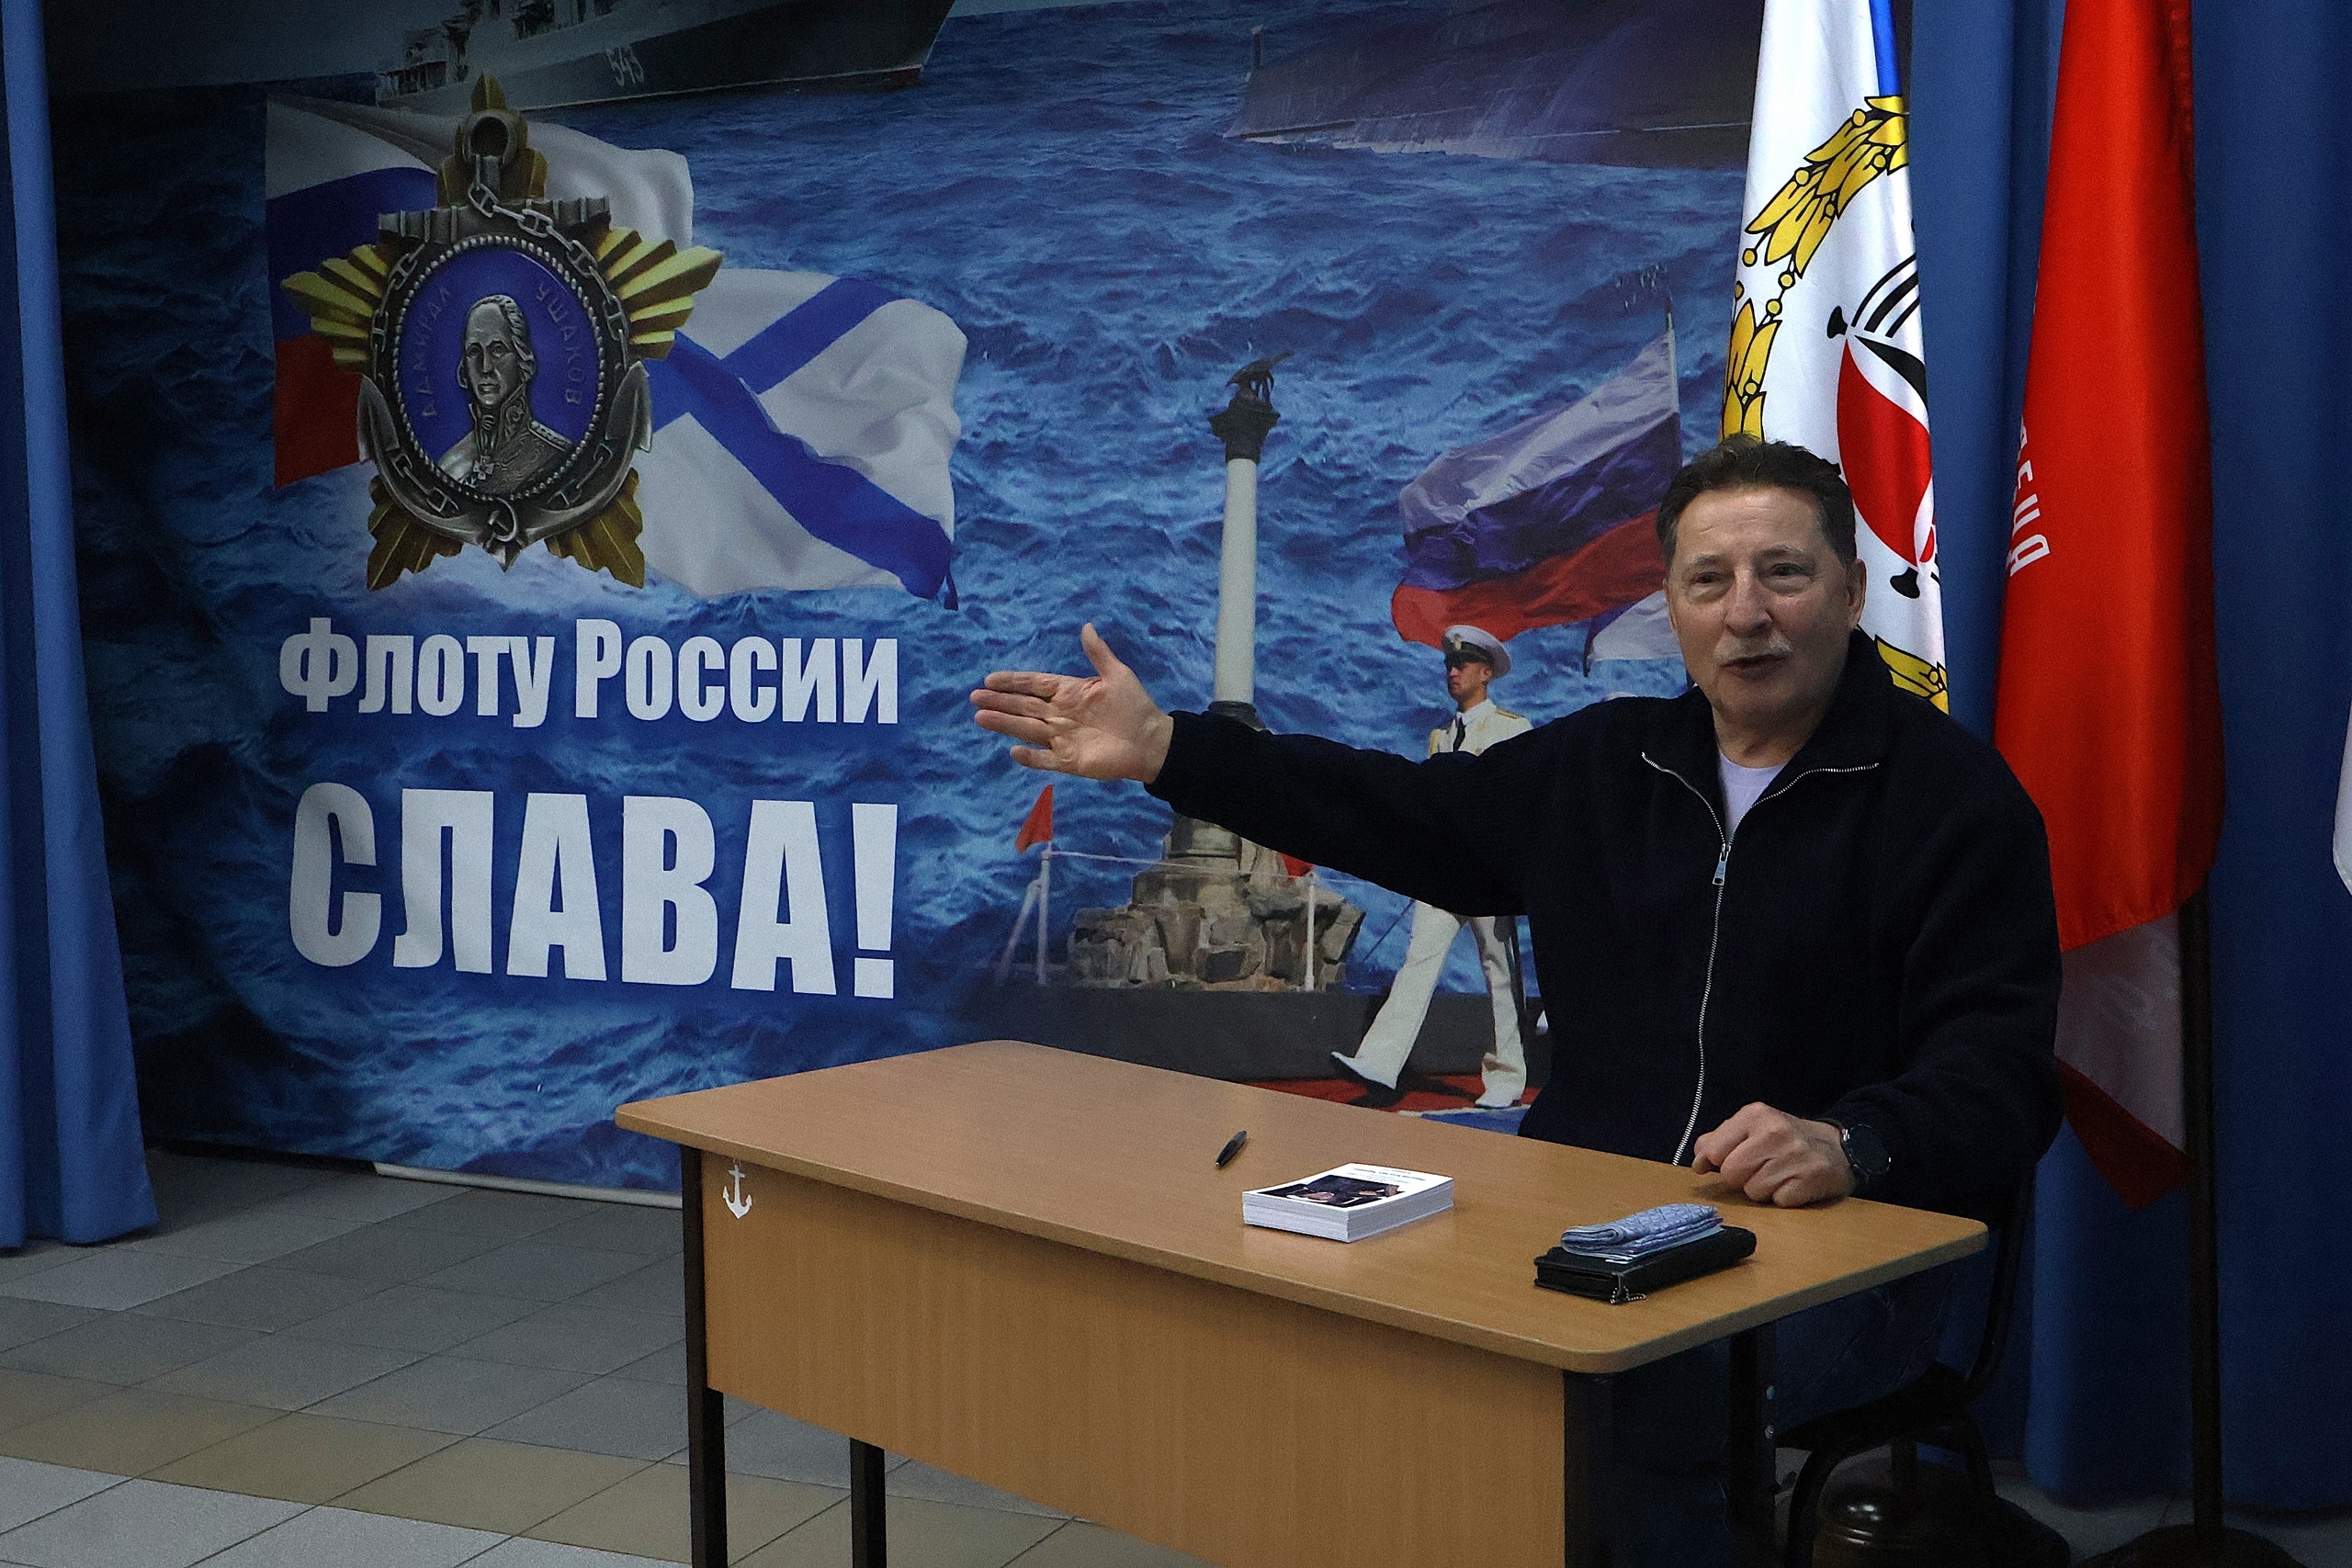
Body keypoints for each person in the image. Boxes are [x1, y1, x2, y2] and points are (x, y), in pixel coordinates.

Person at [971, 435, 2062, 1565]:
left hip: (1844, 1254)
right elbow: (1388, 810)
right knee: (1372, 1346)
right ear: (1671, 607)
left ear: (1850, 590)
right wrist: (1165, 750)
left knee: (1631, 1399)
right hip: (1584, 1223)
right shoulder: (1602, 768)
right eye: (1708, 580)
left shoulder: (1953, 803)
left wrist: (1851, 1141)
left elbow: (2003, 1078)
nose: (1746, 613)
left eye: (1782, 573)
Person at [1331, 624, 1532, 1108]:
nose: (1453, 672)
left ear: (1486, 673)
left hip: (1487, 872)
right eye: (1449, 665)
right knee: (1418, 961)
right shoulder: (1439, 737)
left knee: (1500, 972)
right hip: (1444, 871)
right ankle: (1380, 1061)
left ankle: (1506, 1078)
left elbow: (1517, 802)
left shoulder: (1512, 729)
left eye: (1463, 664)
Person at [439, 294, 572, 494]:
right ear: (464, 367)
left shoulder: (557, 456)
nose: (485, 367)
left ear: (522, 360)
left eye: (498, 350)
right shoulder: (448, 467)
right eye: (474, 351)